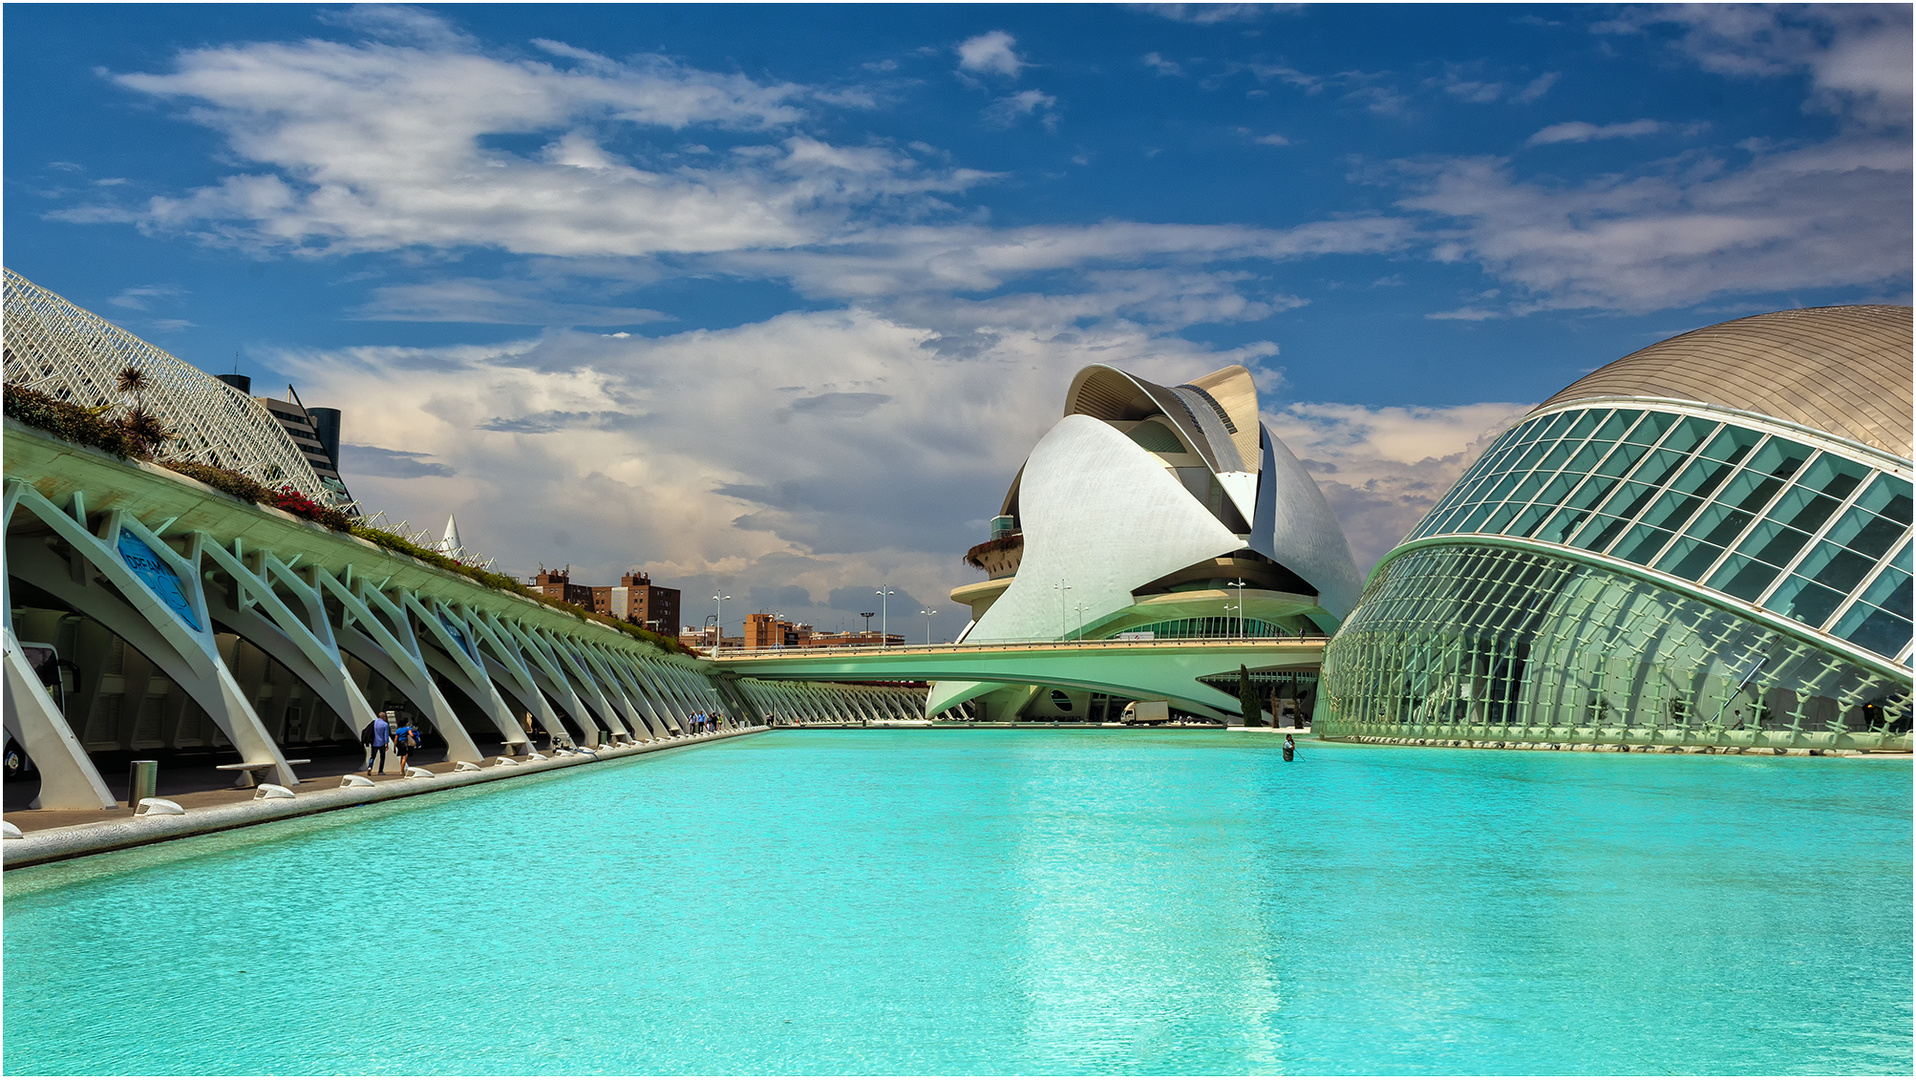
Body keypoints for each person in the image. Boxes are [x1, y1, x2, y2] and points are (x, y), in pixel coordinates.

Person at [363, 710, 392, 775]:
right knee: (382, 757)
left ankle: (370, 767)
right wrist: (387, 743)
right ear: (383, 717)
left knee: (372, 756)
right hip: (381, 743)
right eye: (385, 717)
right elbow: (386, 735)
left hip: (374, 742)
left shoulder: (374, 723)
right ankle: (380, 771)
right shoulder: (385, 724)